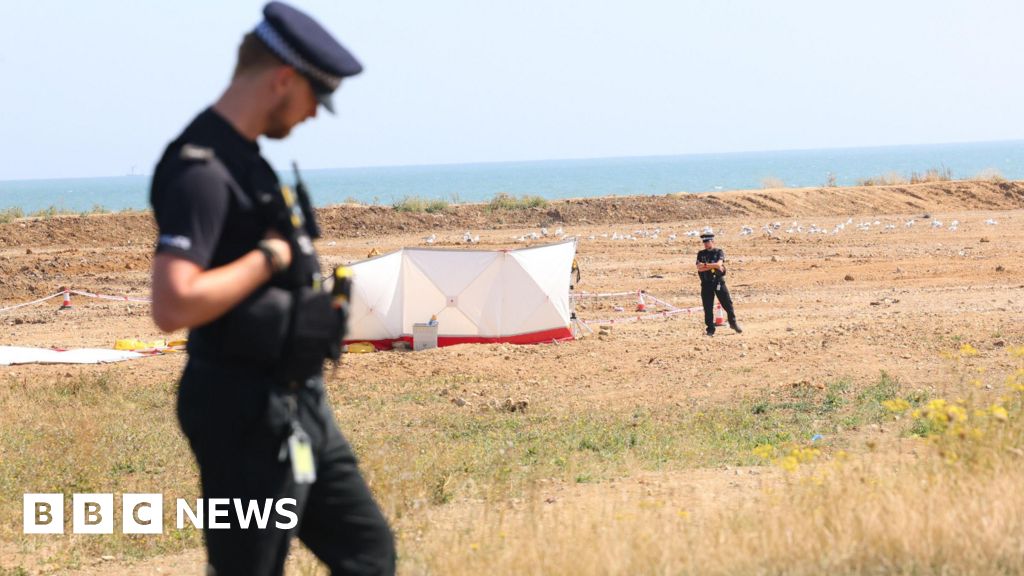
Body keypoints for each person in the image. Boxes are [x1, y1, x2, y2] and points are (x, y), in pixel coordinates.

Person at [149, 3, 394, 575]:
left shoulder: (248, 161)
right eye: (315, 99)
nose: (313, 116)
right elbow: (173, 302)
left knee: (367, 552)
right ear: (284, 79)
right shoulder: (200, 169)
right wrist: (271, 256)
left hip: (296, 399)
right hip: (240, 409)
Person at [695, 232, 742, 337]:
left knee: (728, 304)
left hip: (718, 282)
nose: (706, 244)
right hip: (706, 283)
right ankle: (710, 329)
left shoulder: (718, 252)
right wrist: (713, 266)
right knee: (707, 307)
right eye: (705, 242)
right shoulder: (701, 254)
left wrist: (706, 265)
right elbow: (699, 268)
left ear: (713, 241)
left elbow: (719, 265)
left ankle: (733, 323)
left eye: (708, 242)